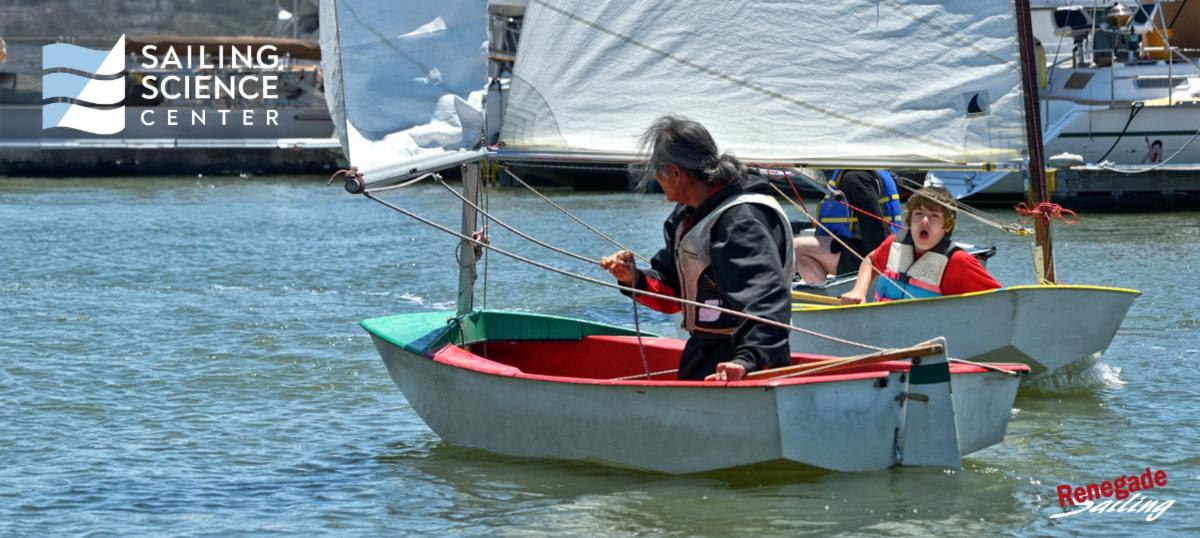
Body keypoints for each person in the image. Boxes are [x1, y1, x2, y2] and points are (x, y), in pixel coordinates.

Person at [600, 116, 794, 382]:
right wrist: (634, 278)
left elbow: (767, 299)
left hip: (741, 364)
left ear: (676, 172)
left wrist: (747, 360)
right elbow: (675, 292)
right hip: (703, 355)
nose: (656, 178)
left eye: (658, 170)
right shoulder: (687, 216)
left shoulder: (740, 221)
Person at [840, 185, 1000, 304]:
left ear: (948, 225)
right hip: (879, 330)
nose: (924, 221)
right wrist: (859, 291)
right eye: (918, 214)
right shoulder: (893, 245)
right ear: (910, 219)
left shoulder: (958, 262)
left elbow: (1000, 300)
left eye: (934, 216)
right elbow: (871, 261)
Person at [793, 170, 902, 284]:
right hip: (867, 249)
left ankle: (832, 298)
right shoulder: (863, 174)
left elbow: (874, 229)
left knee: (797, 248)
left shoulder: (856, 178)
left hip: (868, 255)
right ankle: (827, 293)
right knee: (802, 253)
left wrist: (878, 268)